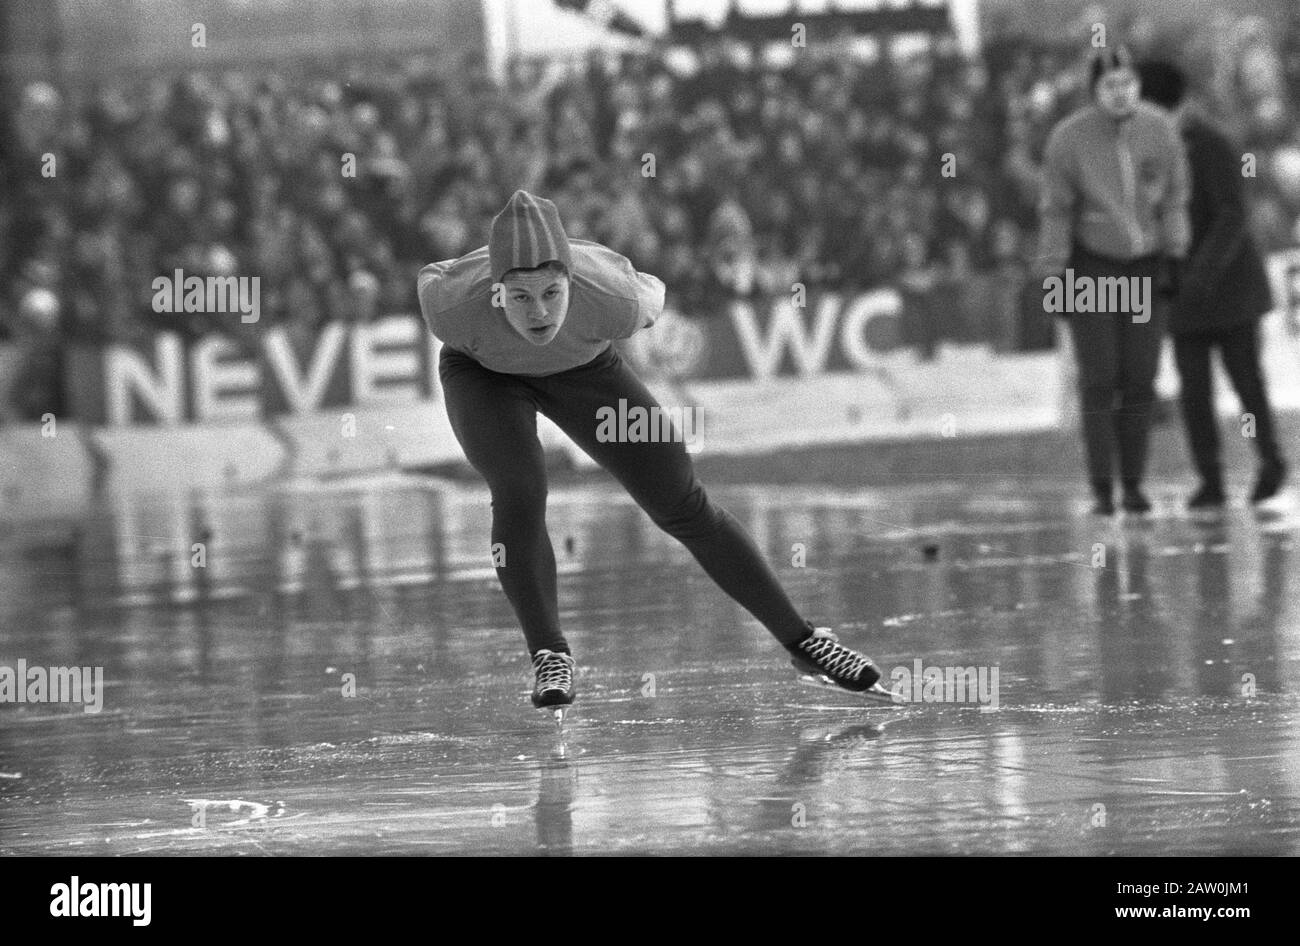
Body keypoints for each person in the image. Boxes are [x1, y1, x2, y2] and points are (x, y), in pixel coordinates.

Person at [416, 190, 883, 714]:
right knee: (520, 486)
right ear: (495, 294)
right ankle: (549, 652)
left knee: (681, 502)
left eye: (551, 292)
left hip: (584, 374)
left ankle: (803, 641)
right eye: (520, 298)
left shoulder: (619, 297)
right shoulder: (451, 306)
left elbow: (656, 299)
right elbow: (430, 274)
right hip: (484, 379)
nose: (540, 313)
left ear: (573, 279)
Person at [1035, 44, 1191, 515]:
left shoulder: (1160, 130)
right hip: (1093, 267)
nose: (1121, 94)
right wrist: (1053, 273)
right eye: (1110, 86)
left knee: (1140, 378)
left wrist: (1177, 254)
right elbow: (1056, 210)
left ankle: (1135, 484)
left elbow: (1175, 198)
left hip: (1145, 265)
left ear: (1139, 87)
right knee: (1100, 379)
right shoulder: (1069, 138)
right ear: (1094, 91)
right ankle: (1103, 487)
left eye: (1129, 84)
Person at [1137, 59, 1288, 510]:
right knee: (1194, 392)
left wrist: (1199, 274)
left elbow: (1231, 216)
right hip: (1185, 295)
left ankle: (1270, 462)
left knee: (1247, 383)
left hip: (1230, 292)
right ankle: (1211, 479)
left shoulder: (1211, 143)